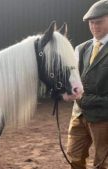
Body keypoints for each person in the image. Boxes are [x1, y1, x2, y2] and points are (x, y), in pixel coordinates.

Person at [67, 1, 108, 168]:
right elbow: (73, 80)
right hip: (79, 114)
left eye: (99, 22)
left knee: (102, 163)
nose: (94, 26)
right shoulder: (81, 48)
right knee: (74, 158)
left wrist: (90, 100)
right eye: (91, 23)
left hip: (103, 117)